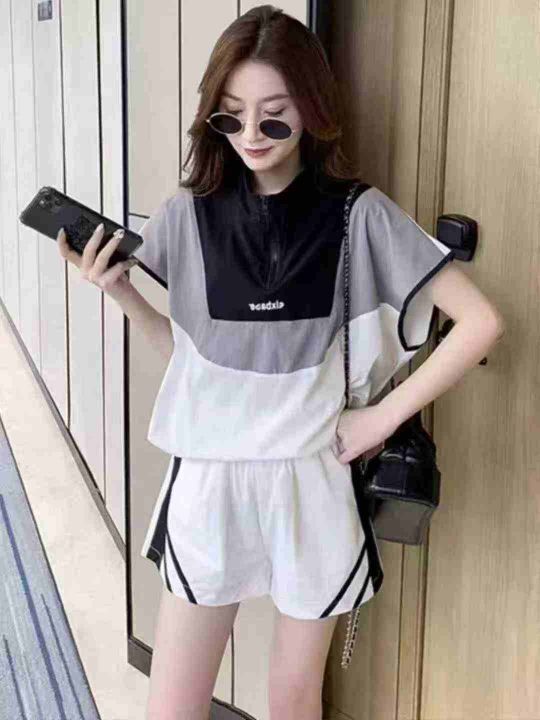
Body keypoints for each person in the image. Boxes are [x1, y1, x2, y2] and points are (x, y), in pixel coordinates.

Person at [57, 6, 505, 720]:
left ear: (312, 110)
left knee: (293, 700)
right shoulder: (188, 216)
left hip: (311, 480)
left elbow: (481, 323)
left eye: (273, 117)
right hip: (210, 479)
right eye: (230, 117)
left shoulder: (358, 215)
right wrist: (122, 293)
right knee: (172, 705)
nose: (250, 136)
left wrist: (379, 420)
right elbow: (197, 365)